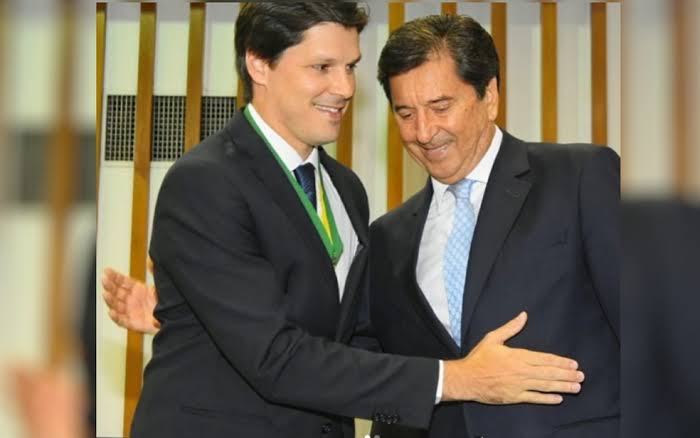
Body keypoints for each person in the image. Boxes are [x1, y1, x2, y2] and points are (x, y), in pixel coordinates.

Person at [101, 5, 583, 438]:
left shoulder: (344, 187)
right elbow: (275, 357)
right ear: (259, 64)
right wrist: (458, 378)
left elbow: (354, 335)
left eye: (350, 67)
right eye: (322, 67)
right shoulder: (207, 182)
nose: (345, 88)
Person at [369, 14, 619, 437]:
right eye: (405, 113)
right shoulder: (388, 237)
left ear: (489, 96)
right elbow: (388, 375)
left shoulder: (580, 177)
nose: (424, 132)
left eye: (440, 107)